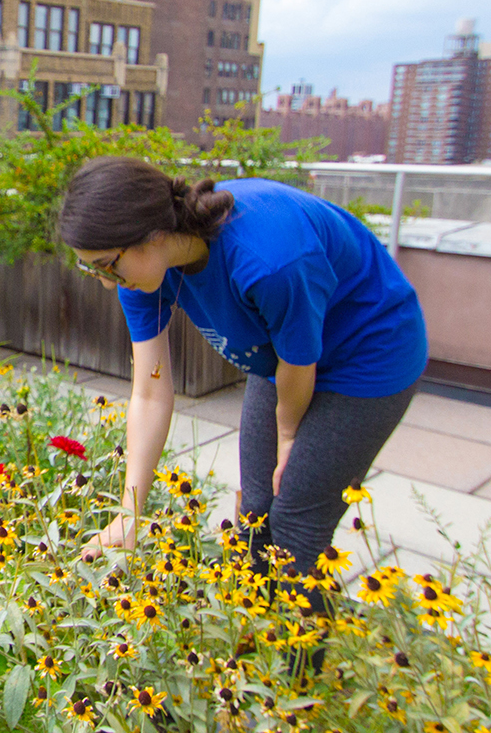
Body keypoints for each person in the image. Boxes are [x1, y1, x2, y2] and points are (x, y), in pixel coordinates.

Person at [59, 157, 429, 612]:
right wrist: (129, 514)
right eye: (90, 268)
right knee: (255, 513)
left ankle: (299, 668)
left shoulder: (267, 259)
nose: (103, 281)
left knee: (295, 524)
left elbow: (299, 366)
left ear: (151, 234)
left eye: (105, 266)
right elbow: (150, 391)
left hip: (370, 352)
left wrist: (288, 436)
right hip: (289, 355)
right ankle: (254, 653)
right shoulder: (139, 277)